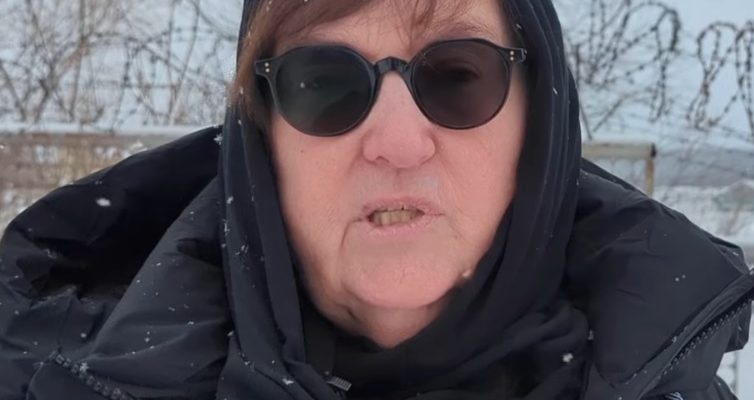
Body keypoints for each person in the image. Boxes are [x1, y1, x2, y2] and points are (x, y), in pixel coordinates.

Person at [0, 0, 752, 399]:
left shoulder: (668, 385)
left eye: (458, 75)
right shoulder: (60, 380)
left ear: (538, 128)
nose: (396, 140)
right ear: (262, 143)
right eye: (323, 83)